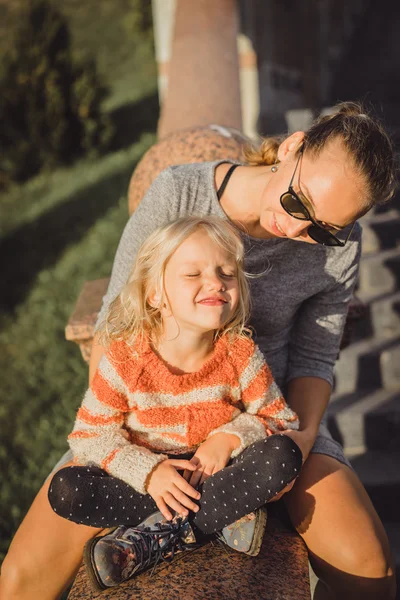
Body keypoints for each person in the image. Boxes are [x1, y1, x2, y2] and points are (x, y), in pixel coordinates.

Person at [47, 216, 301, 591]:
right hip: (149, 481)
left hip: (216, 474)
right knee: (66, 488)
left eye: (227, 274)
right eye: (192, 274)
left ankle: (155, 536)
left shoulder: (239, 353)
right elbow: (88, 436)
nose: (215, 282)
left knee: (282, 456)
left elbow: (278, 419)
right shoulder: (125, 359)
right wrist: (149, 472)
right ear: (155, 294)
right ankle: (216, 520)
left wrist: (229, 439)